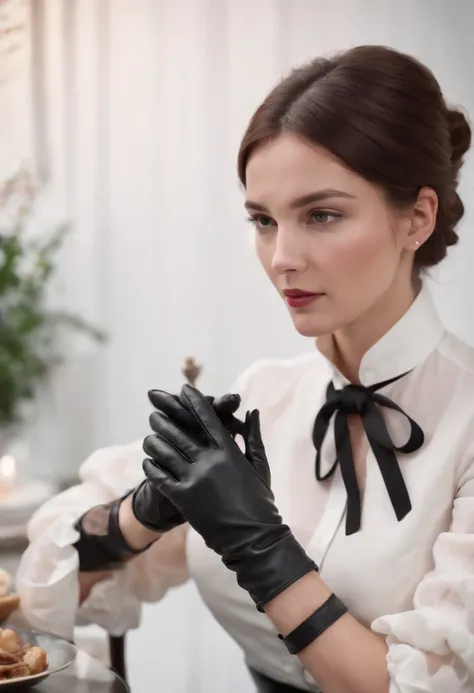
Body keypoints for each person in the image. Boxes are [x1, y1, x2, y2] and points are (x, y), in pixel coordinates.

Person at [16, 44, 474, 693]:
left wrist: (256, 542)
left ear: (417, 218)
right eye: (263, 220)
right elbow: (42, 596)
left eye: (322, 214)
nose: (281, 256)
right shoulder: (264, 398)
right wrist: (140, 514)